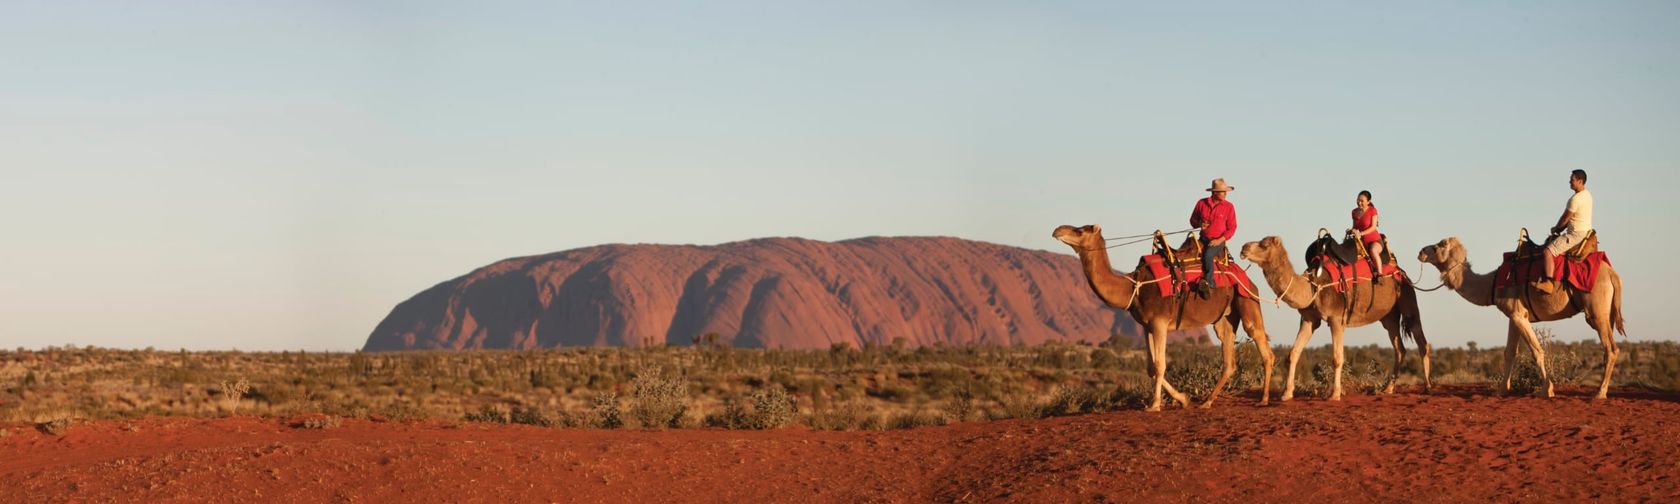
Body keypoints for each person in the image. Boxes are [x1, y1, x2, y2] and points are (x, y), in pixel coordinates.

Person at [1537, 169, 1593, 293]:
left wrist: (1556, 228)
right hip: (1585, 232)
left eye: (1572, 180)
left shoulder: (1575, 199)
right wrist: (1560, 229)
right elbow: (1572, 218)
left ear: (1580, 181)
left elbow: (1565, 218)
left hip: (1575, 234)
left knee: (1547, 251)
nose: (1570, 182)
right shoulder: (1588, 195)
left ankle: (1548, 283)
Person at [1189, 178, 1237, 298]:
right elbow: (1193, 220)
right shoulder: (1201, 203)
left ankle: (1209, 282)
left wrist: (1219, 240)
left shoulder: (1229, 207)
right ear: (1215, 193)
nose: (1225, 193)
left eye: (1225, 191)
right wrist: (1199, 223)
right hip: (1202, 238)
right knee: (1186, 252)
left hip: (1218, 241)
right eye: (1222, 191)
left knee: (1208, 255)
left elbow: (1232, 228)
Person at [1350, 190, 1386, 284]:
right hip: (1361, 242)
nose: (1359, 202)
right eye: (1358, 200)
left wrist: (1361, 233)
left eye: (1362, 201)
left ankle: (1380, 274)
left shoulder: (1372, 210)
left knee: (1373, 251)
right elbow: (1354, 227)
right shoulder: (1354, 212)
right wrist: (1352, 231)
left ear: (1368, 202)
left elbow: (1373, 227)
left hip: (1374, 241)